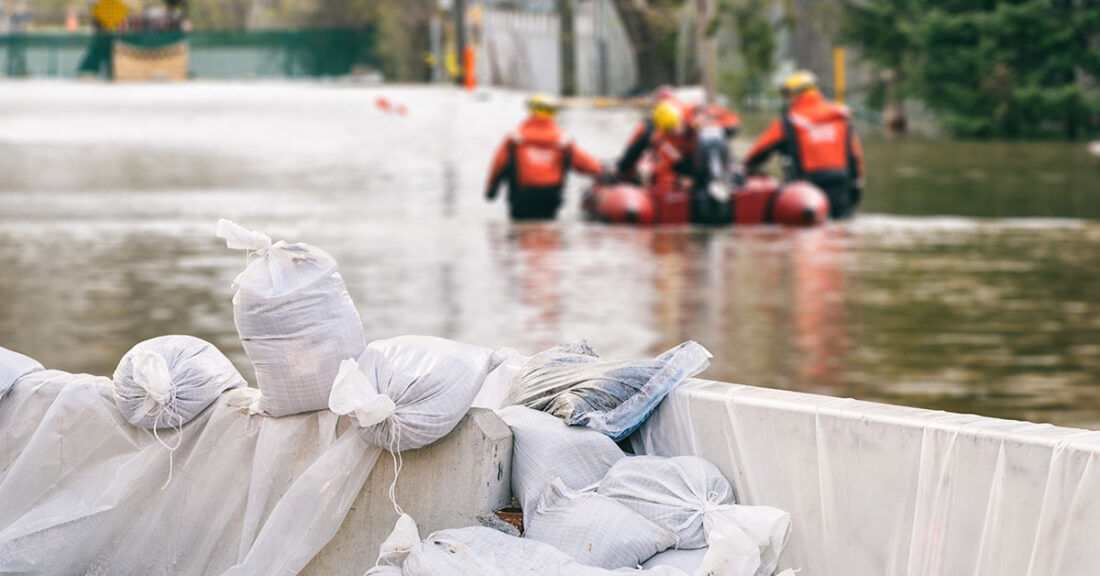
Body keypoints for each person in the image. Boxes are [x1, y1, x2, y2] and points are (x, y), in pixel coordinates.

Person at [743, 70, 865, 219]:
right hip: (842, 185)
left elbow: (758, 152)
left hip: (806, 191)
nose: (787, 99)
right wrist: (857, 185)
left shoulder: (789, 122)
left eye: (788, 95)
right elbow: (855, 155)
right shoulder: (839, 117)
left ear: (797, 94)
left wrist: (745, 168)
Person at [485, 94, 606, 220]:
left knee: (520, 232)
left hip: (521, 197)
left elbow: (498, 165)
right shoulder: (563, 140)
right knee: (548, 232)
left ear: (531, 111)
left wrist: (491, 190)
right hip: (550, 197)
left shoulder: (515, 137)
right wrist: (603, 170)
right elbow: (584, 163)